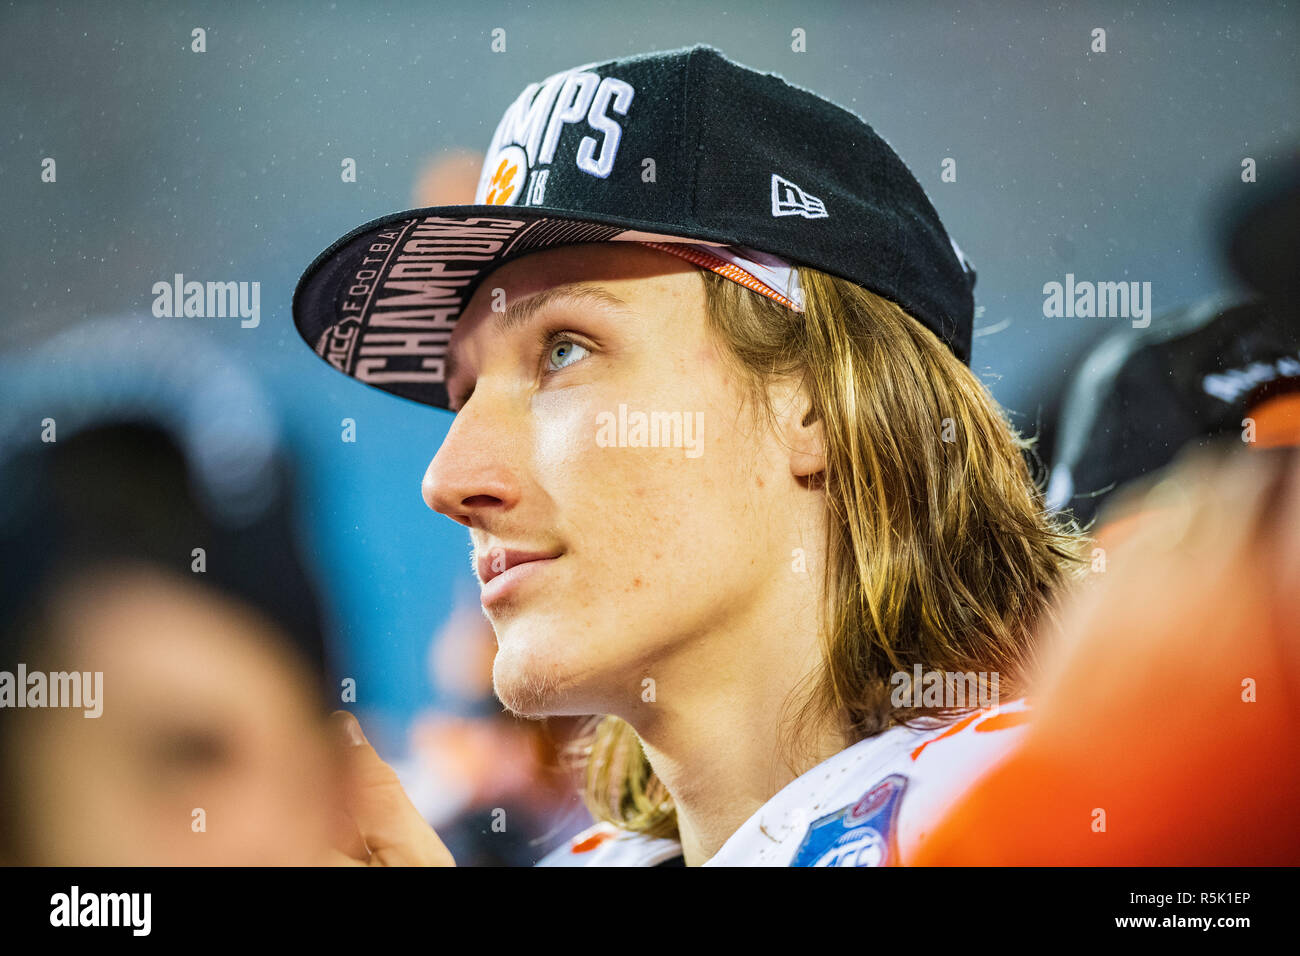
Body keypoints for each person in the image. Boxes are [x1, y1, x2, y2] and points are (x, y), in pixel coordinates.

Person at [294, 45, 1086, 867]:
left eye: (563, 350)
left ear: (815, 401)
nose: (448, 480)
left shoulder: (1083, 815)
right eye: (463, 394)